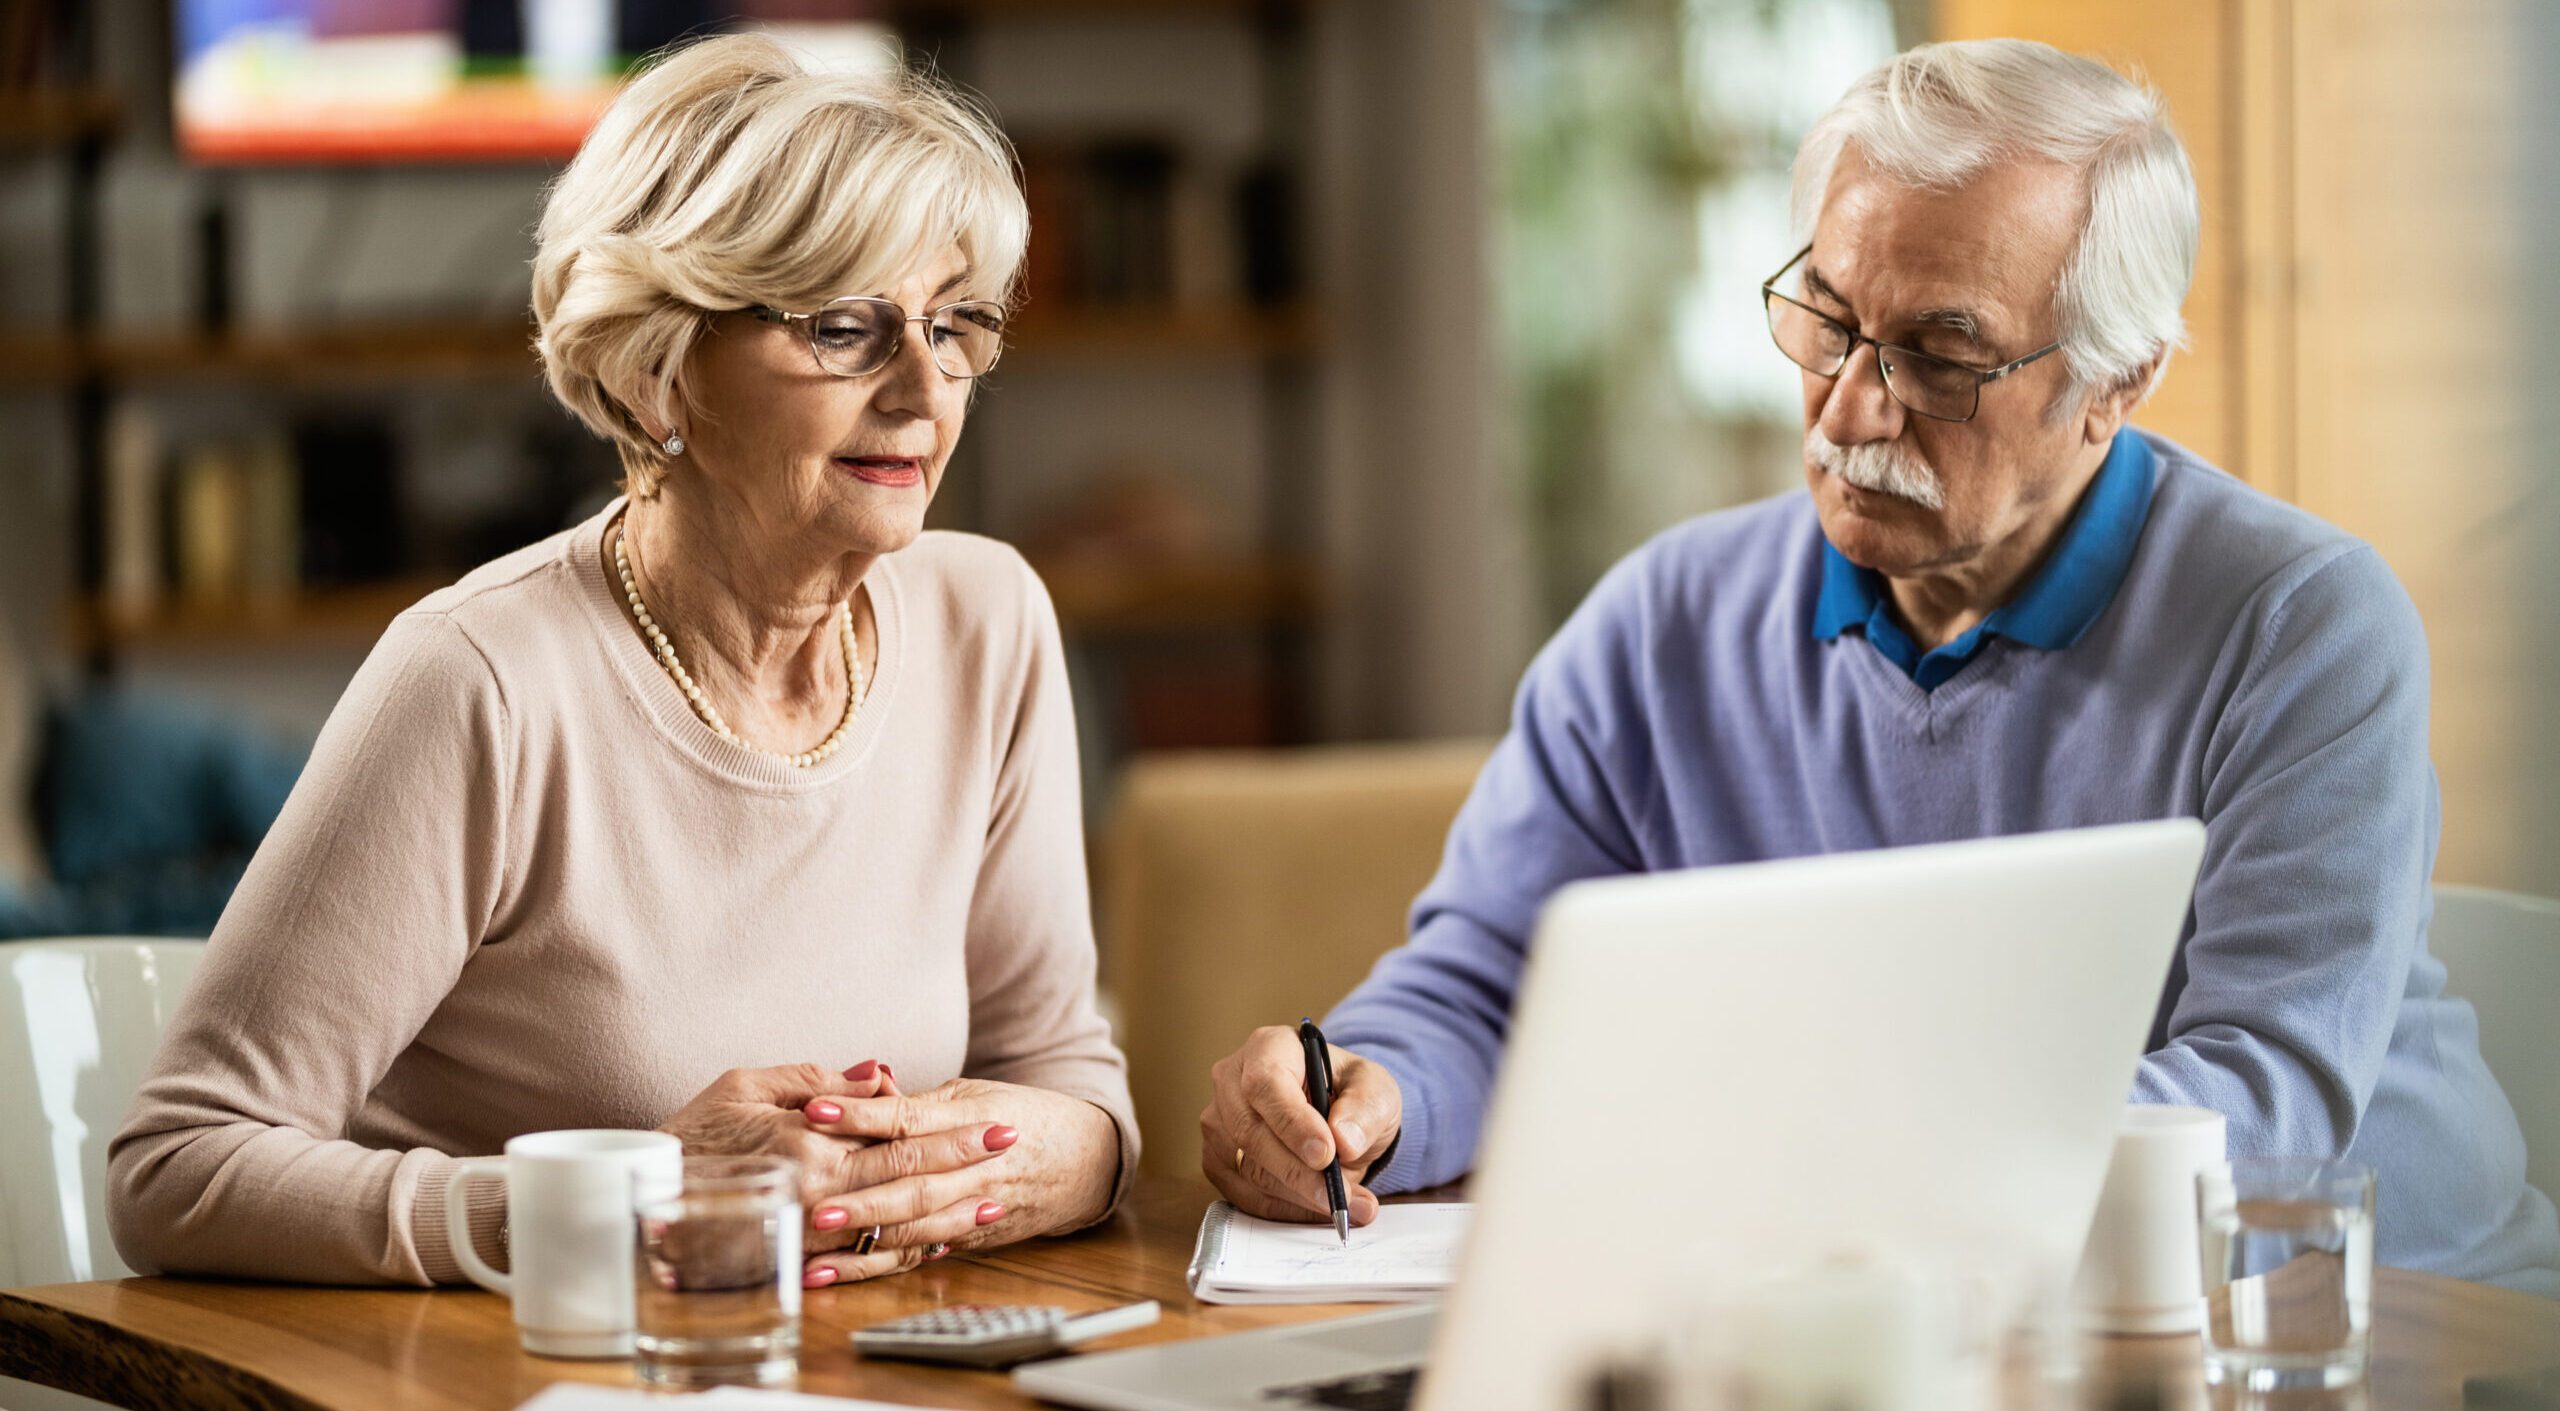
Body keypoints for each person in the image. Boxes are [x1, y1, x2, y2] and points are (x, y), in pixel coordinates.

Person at [1201, 38, 2560, 1297]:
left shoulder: (2301, 625)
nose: (1850, 406)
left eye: (1940, 356)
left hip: (2380, 1320)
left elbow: (2255, 1107)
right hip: (1892, 1309)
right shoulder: (1662, 622)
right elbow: (1493, 977)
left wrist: (1819, 1168)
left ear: (2117, 381)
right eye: (1829, 319)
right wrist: (1370, 1093)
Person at [108, 35, 1137, 1290]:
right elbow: (178, 1170)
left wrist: (1057, 1156)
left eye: (953, 323)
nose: (925, 388)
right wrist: (623, 1197)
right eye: (845, 327)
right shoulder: (479, 678)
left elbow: (1063, 1078)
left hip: (871, 1378)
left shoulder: (991, 621)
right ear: (658, 369)